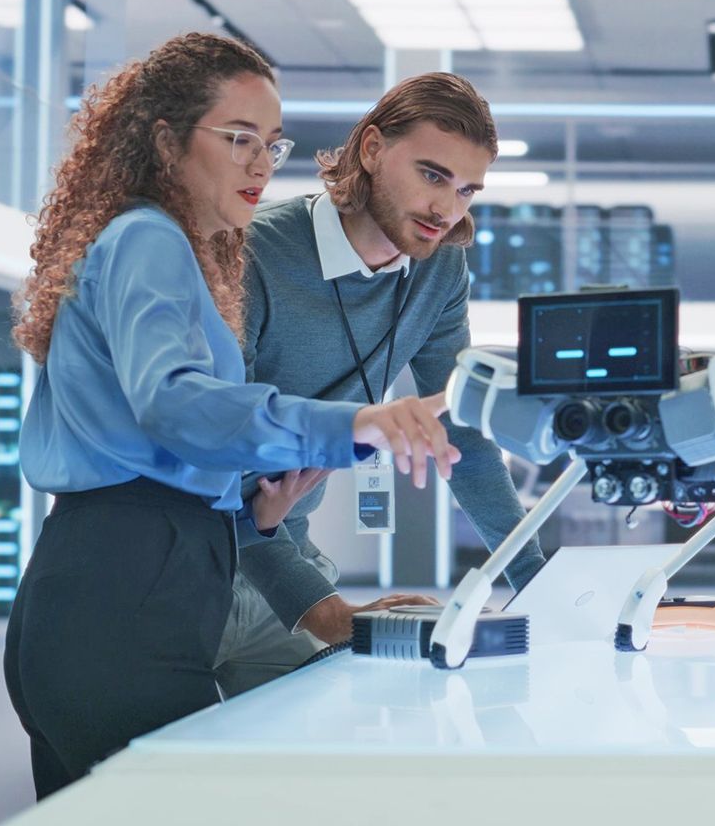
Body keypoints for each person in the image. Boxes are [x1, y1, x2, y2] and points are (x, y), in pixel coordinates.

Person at [3, 32, 457, 798]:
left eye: (272, 145)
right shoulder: (148, 237)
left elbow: (160, 442)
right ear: (165, 139)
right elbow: (172, 402)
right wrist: (353, 423)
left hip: (112, 588)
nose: (259, 163)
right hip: (124, 599)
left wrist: (259, 516)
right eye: (238, 138)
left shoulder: (168, 247)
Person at [213, 72, 545, 695]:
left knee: (309, 768)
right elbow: (217, 442)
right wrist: (321, 606)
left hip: (281, 556)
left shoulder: (440, 271)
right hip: (196, 563)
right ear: (370, 150)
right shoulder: (250, 253)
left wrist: (542, 585)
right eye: (432, 175)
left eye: (467, 190)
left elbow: (464, 434)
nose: (447, 210)